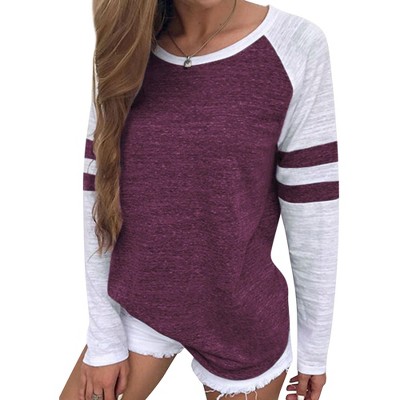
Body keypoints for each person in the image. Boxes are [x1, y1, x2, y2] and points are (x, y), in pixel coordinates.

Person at [59, 1, 339, 400]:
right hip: (138, 303)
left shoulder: (295, 44)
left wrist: (314, 351)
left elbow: (313, 210)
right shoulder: (128, 46)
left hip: (239, 317)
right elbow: (97, 197)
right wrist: (104, 339)